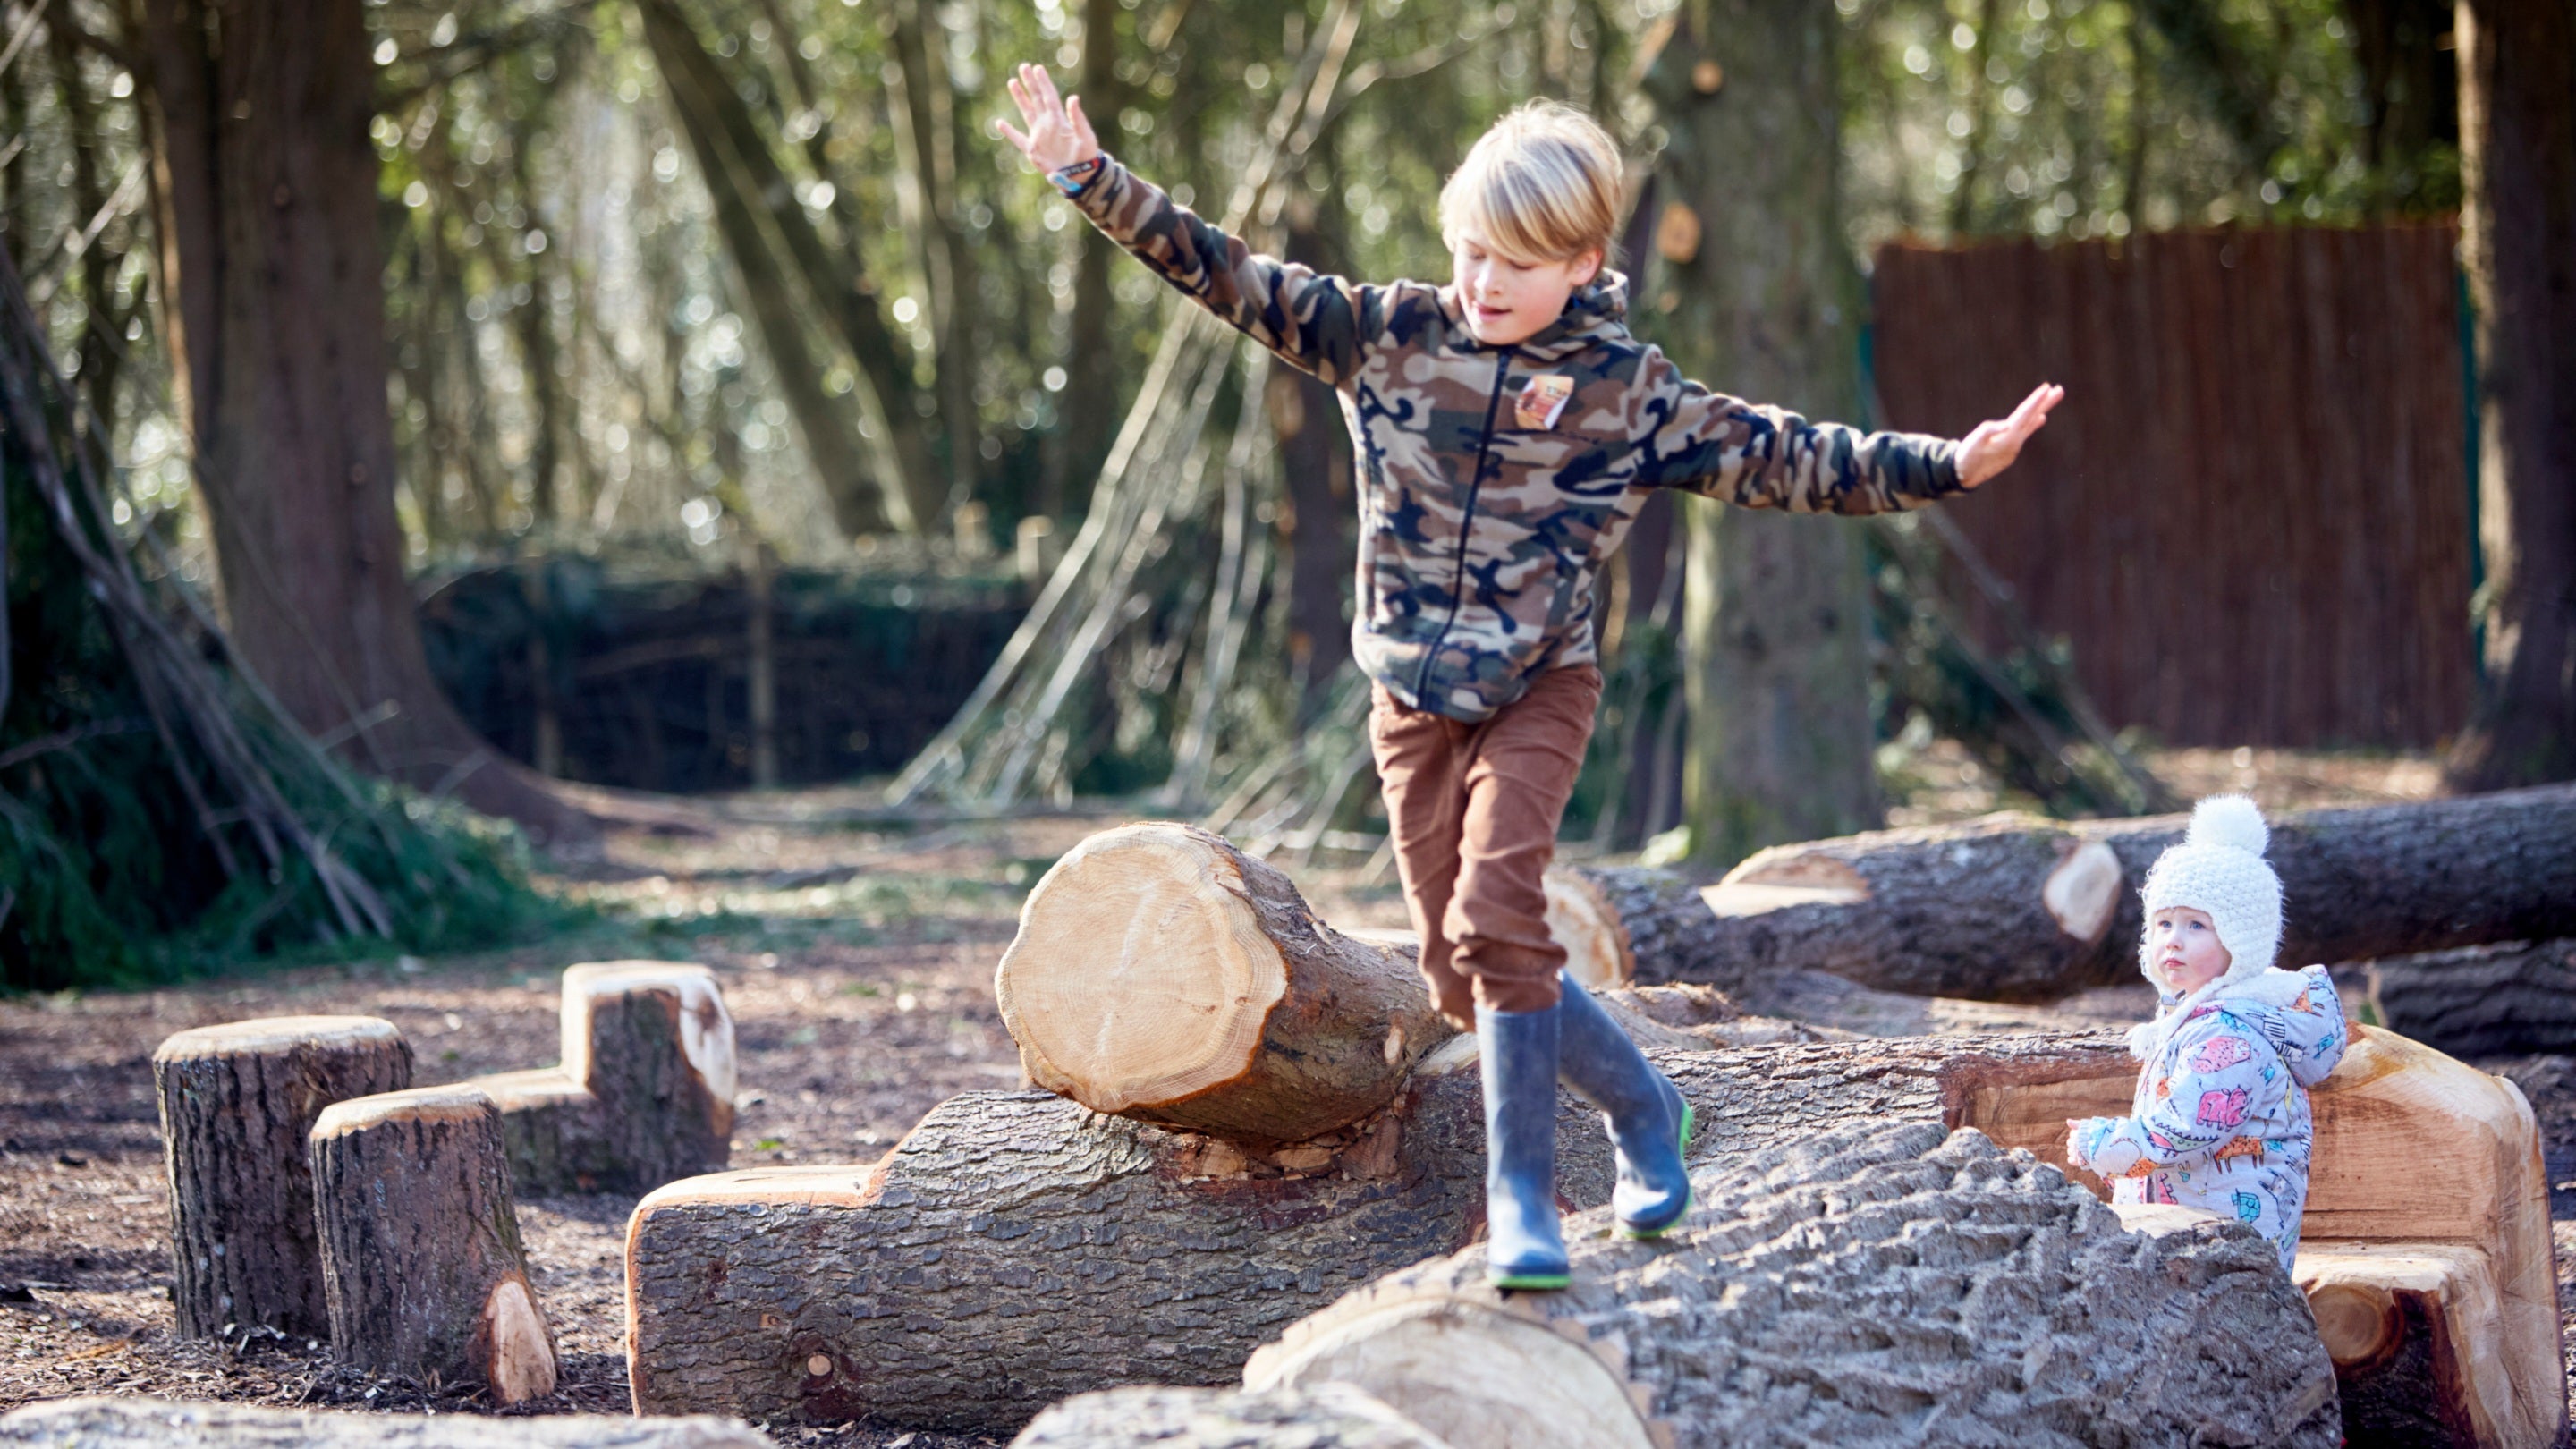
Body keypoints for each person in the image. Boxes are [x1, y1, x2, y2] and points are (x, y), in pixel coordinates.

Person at [1000, 72, 2062, 1289]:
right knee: (1458, 976)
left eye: (1516, 261)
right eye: (1470, 253)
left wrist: (1946, 464)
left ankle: (1526, 1202)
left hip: (1536, 691)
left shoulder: (1624, 393)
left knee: (1502, 926)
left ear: (1585, 259)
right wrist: (1091, 179)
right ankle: (1645, 1102)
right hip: (1410, 700)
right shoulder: (1388, 333)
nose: (1485, 283)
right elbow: (1228, 274)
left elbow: (1784, 454)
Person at [2066, 796, 2348, 1274]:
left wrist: (2104, 1144)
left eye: (2196, 925)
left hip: (2231, 1252)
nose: (2173, 939)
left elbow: (2185, 1129)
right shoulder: (2192, 1020)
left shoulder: (2231, 1036)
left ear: (2241, 943)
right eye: (2163, 923)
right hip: (2193, 1237)